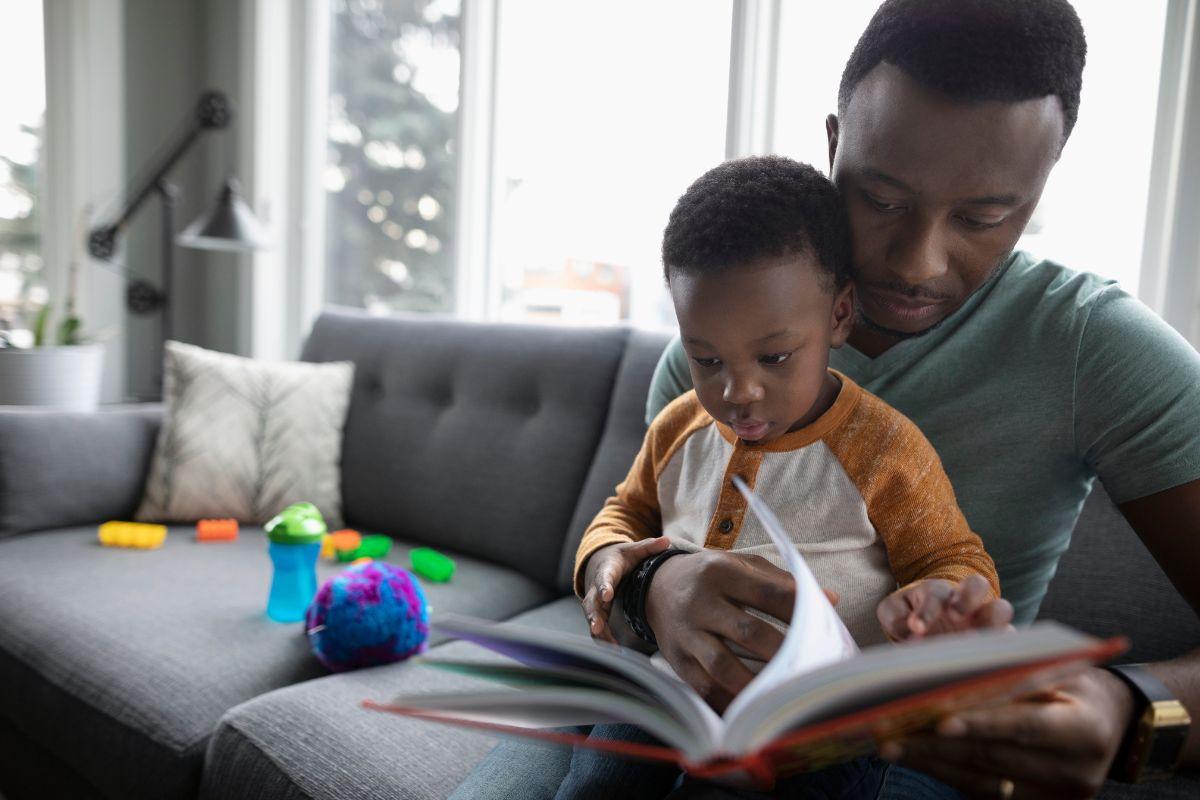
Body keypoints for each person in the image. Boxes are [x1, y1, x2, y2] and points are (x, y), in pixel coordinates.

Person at [454, 1, 1200, 796]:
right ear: (834, 143)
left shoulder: (1095, 346)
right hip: (672, 702)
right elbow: (643, 527)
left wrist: (1133, 708)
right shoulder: (711, 356)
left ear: (1042, 184)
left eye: (984, 217)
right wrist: (646, 588)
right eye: (880, 199)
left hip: (896, 746)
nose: (918, 263)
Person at [558, 155, 1010, 800]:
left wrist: (935, 599)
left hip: (817, 722)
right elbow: (625, 514)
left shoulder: (883, 448)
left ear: (839, 315)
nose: (737, 391)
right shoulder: (678, 426)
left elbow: (953, 555)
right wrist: (602, 560)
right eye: (706, 359)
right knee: (595, 781)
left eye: (774, 357)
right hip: (673, 686)